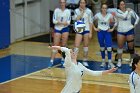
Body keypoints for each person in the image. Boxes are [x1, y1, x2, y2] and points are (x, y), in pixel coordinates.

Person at [49, 46, 117, 93]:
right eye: (71, 52)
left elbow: (93, 73)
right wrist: (55, 47)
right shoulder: (68, 64)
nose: (73, 53)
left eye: (73, 52)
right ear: (68, 56)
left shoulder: (80, 65)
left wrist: (108, 71)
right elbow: (66, 51)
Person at [115, 0, 139, 67]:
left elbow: (137, 18)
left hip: (129, 30)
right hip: (120, 31)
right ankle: (119, 60)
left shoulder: (130, 11)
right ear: (119, 6)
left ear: (125, 5)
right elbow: (124, 17)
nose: (122, 6)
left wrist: (135, 24)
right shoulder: (117, 12)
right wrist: (128, 11)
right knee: (120, 46)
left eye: (123, 4)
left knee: (131, 47)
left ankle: (132, 60)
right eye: (121, 4)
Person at [93, 3, 117, 68]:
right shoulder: (97, 15)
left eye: (105, 8)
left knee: (109, 48)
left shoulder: (110, 15)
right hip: (100, 32)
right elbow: (91, 20)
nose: (104, 9)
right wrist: (94, 28)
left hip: (107, 32)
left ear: (107, 9)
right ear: (101, 8)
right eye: (103, 8)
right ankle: (103, 62)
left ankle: (110, 62)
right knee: (102, 48)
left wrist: (112, 29)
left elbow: (116, 22)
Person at [74, 0, 93, 66]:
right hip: (79, 28)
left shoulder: (89, 11)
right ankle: (74, 60)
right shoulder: (76, 10)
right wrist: (82, 12)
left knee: (86, 45)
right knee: (76, 45)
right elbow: (77, 19)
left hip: (86, 29)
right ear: (79, 3)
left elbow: (90, 22)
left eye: (83, 3)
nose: (82, 4)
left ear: (85, 4)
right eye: (81, 3)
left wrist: (91, 32)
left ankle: (85, 60)